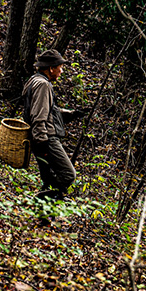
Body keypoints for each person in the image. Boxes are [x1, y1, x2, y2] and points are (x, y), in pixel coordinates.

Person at [22, 49, 85, 200]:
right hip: (46, 138)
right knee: (68, 174)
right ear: (51, 68)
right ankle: (42, 199)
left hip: (40, 137)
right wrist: (42, 141)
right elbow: (38, 115)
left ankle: (44, 214)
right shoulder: (43, 85)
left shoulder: (34, 80)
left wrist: (71, 114)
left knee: (49, 179)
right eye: (60, 67)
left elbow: (48, 111)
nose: (61, 71)